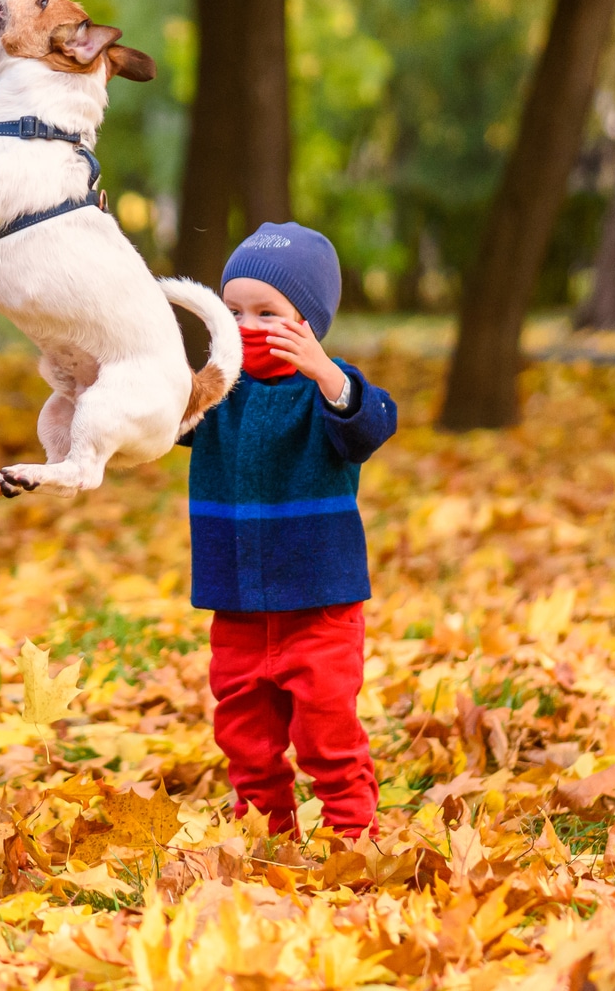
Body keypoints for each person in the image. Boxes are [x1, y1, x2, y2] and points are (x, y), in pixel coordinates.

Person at [186, 222, 399, 839]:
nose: (246, 327)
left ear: (307, 321)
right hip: (237, 602)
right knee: (244, 736)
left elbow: (371, 425)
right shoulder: (218, 389)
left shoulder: (327, 389)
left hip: (320, 604)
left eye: (266, 312)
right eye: (232, 312)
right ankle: (264, 838)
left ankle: (354, 837)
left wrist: (327, 374)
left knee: (326, 731)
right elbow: (164, 421)